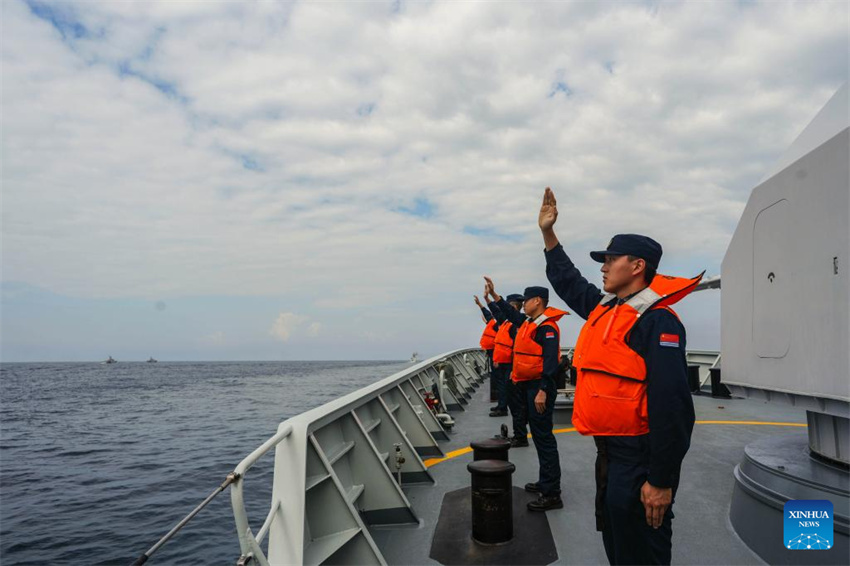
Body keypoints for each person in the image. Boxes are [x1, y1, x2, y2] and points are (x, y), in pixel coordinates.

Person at [538, 187, 700, 565]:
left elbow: (673, 408)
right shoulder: (605, 309)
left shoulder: (657, 322)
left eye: (611, 259)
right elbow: (569, 281)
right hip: (609, 456)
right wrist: (548, 234)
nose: (604, 267)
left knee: (643, 553)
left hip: (640, 459)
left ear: (638, 266)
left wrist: (661, 481)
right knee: (619, 547)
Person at [485, 277, 568, 511]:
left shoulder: (547, 327)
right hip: (528, 385)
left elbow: (551, 362)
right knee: (539, 436)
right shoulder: (531, 322)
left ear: (537, 301)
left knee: (544, 438)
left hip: (539, 387)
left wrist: (542, 390)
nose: (523, 305)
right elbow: (510, 316)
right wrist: (494, 296)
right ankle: (545, 481)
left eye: (526, 300)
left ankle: (552, 494)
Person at [489, 293, 528, 429]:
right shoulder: (507, 322)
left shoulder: (515, 325)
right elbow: (496, 313)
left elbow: (515, 347)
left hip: (510, 365)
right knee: (510, 396)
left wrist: (513, 368)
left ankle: (520, 435)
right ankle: (518, 434)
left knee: (515, 400)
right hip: (505, 362)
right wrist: (487, 300)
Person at [474, 294, 498, 400]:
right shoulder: (493, 322)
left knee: (499, 377)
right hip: (492, 352)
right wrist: (479, 304)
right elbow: (487, 314)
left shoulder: (499, 323)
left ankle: (501, 401)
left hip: (497, 353)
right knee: (495, 376)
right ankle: (498, 400)